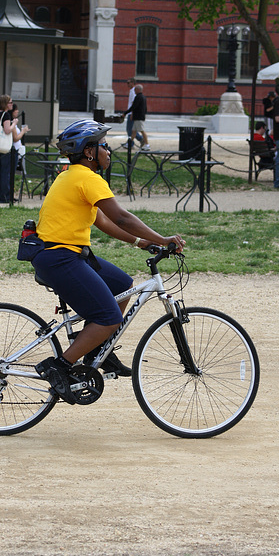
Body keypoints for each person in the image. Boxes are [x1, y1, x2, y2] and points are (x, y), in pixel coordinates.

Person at [31, 119, 185, 404]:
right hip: (60, 258)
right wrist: (164, 239)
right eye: (104, 146)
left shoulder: (70, 175)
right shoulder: (86, 178)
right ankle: (60, 366)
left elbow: (101, 220)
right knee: (108, 317)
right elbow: (121, 217)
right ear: (89, 152)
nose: (109, 151)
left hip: (65, 255)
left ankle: (97, 352)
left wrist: (143, 242)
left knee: (122, 285)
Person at [0, 95, 18, 203]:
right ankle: (5, 196)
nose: (11, 104)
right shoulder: (6, 115)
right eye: (10, 102)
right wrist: (14, 124)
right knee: (5, 173)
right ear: (5, 104)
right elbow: (7, 130)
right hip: (5, 148)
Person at [124, 84, 150, 151]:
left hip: (138, 117)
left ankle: (147, 144)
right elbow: (145, 108)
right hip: (139, 117)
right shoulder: (143, 97)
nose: (134, 91)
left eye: (135, 89)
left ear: (138, 90)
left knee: (142, 131)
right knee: (134, 132)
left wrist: (125, 113)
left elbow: (133, 107)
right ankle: (129, 144)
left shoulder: (138, 97)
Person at [122, 78, 142, 148]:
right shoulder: (132, 91)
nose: (127, 84)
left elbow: (134, 104)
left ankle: (135, 142)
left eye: (128, 82)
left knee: (130, 129)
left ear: (133, 83)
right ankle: (131, 142)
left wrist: (132, 114)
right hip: (130, 113)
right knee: (131, 129)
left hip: (131, 113)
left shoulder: (133, 91)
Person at [11, 103, 30, 171]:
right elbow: (15, 138)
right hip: (14, 151)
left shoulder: (14, 122)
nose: (17, 111)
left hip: (18, 149)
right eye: (16, 110)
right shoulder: (12, 123)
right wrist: (23, 131)